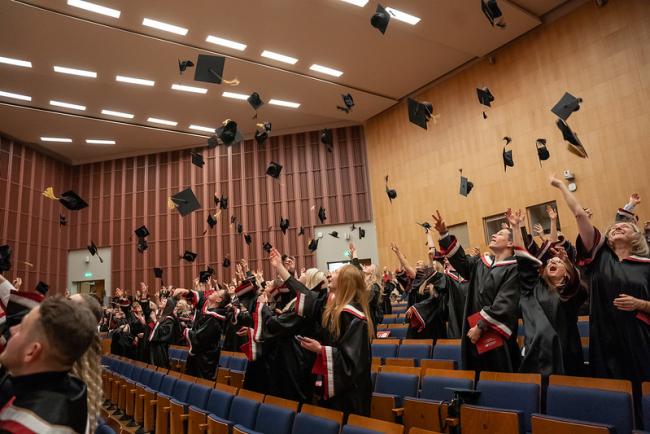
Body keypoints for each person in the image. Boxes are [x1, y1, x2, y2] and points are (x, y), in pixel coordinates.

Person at [550, 176, 650, 390]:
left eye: (625, 226)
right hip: (605, 340)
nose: (617, 228)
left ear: (637, 236)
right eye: (614, 228)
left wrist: (640, 304)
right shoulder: (600, 257)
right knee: (614, 397)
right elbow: (578, 214)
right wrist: (561, 186)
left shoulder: (646, 265)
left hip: (641, 339)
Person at [433, 210, 521, 373]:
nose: (494, 234)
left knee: (497, 381)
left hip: (497, 339)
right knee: (475, 378)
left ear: (510, 244)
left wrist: (480, 327)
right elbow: (461, 261)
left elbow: (504, 304)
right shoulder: (481, 263)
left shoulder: (514, 269)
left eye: (500, 233)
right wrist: (444, 233)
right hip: (474, 337)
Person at [506, 208, 587, 377]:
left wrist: (567, 261)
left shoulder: (569, 292)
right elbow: (523, 260)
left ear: (567, 272)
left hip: (564, 357)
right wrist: (515, 227)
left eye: (559, 262)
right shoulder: (533, 287)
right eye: (550, 260)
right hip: (535, 358)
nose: (552, 261)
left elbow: (577, 286)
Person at [0, 296, 97, 433]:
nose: (11, 330)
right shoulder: (73, 390)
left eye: (21, 328)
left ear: (31, 352)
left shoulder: (24, 428)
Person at [299, 264, 373, 416]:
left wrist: (320, 350)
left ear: (345, 281)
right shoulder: (337, 311)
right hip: (337, 387)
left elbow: (352, 363)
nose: (330, 273)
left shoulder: (352, 316)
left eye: (336, 271)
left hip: (350, 394)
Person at [182, 286, 229, 380]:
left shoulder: (214, 318)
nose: (213, 291)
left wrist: (186, 331)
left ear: (218, 300)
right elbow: (200, 300)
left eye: (217, 292)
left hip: (205, 360)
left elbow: (200, 338)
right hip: (200, 358)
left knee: (200, 386)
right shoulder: (208, 312)